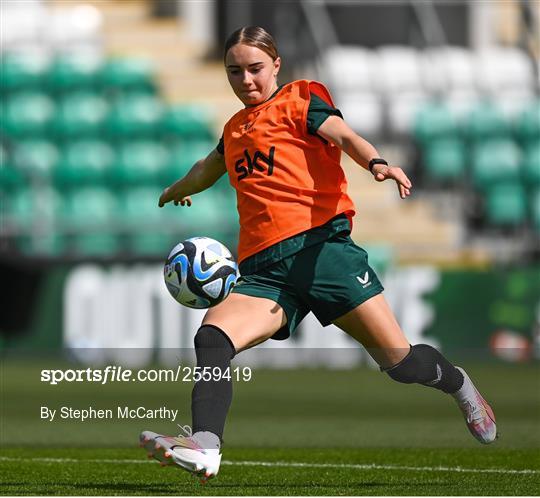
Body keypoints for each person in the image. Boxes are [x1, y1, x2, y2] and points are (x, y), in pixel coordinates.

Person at [140, 26, 497, 482]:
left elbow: (346, 137)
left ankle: (460, 384)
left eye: (255, 69)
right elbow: (206, 170)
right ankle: (207, 446)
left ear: (276, 66)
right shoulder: (233, 130)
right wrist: (175, 189)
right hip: (264, 271)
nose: (246, 80)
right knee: (212, 338)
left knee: (401, 363)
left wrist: (378, 164)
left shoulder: (300, 101)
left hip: (322, 251)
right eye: (235, 71)